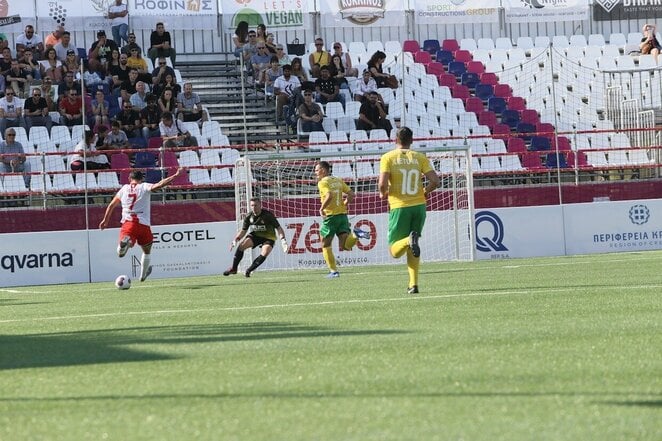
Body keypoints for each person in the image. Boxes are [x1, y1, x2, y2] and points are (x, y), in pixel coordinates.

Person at [378, 127, 440, 294]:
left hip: (400, 207)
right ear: (411, 141)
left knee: (394, 251)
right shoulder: (419, 157)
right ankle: (413, 284)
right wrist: (424, 192)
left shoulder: (388, 157)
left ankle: (407, 241)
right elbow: (435, 181)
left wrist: (383, 194)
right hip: (419, 206)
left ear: (395, 140)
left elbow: (382, 184)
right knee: (414, 246)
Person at [99, 167, 184, 282]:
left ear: (130, 179)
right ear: (141, 179)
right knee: (147, 251)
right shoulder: (144, 186)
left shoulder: (124, 189)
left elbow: (111, 205)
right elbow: (159, 185)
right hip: (144, 225)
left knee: (120, 254)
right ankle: (142, 276)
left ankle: (125, 243)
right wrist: (175, 176)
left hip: (129, 223)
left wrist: (105, 220)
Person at [314, 160, 369, 278]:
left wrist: (321, 209)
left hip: (331, 217)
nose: (315, 173)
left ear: (323, 170)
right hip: (342, 216)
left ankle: (333, 271)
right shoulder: (338, 180)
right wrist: (344, 203)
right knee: (345, 246)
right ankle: (355, 234)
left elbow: (329, 195)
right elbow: (351, 194)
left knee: (325, 244)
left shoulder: (322, 182)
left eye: (317, 170)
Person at [223, 197, 288, 278]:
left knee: (265, 252)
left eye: (256, 205)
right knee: (242, 246)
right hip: (256, 235)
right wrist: (236, 239)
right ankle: (234, 268)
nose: (254, 207)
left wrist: (283, 240)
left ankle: (249, 270)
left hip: (269, 237)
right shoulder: (249, 216)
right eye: (252, 205)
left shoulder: (267, 215)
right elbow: (243, 231)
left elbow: (278, 228)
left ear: (260, 205)